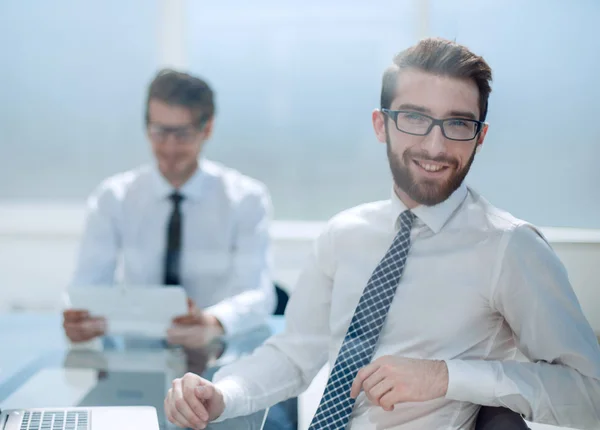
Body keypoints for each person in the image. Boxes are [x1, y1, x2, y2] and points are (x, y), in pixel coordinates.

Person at [163, 38, 600, 429]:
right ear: (381, 124)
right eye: (415, 118)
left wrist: (447, 376)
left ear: (480, 137)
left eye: (458, 124)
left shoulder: (510, 246)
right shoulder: (344, 233)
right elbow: (296, 353)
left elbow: (591, 394)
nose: (435, 146)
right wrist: (223, 393)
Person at [62, 69, 276, 346]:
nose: (170, 148)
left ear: (207, 129)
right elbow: (86, 284)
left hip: (216, 353)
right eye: (159, 132)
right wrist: (78, 315)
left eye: (183, 134)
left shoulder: (247, 199)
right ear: (146, 126)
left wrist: (213, 322)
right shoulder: (113, 197)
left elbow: (259, 294)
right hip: (137, 354)